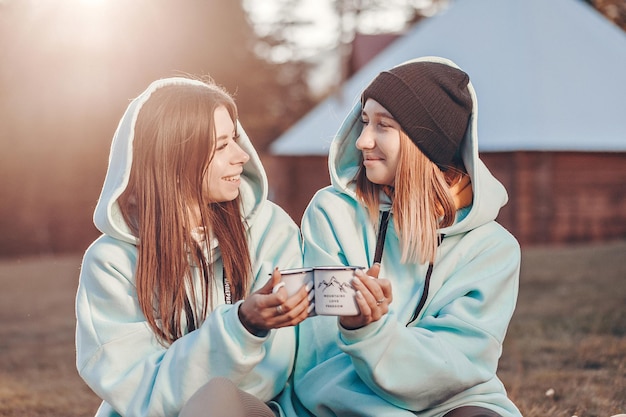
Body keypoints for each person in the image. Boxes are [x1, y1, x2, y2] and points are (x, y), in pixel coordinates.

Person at [280, 56, 522, 417]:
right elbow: (320, 354)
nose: (362, 140)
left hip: (451, 403)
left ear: (427, 143)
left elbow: (460, 365)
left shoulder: (492, 249)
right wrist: (360, 328)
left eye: (383, 125)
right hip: (340, 403)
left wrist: (378, 332)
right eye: (364, 121)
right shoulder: (333, 214)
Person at [75, 77, 310, 417]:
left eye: (236, 139)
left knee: (216, 401)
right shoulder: (110, 262)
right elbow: (139, 392)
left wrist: (249, 330)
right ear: (175, 158)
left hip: (251, 410)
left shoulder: (270, 230)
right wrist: (239, 324)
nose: (242, 155)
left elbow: (273, 373)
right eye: (222, 145)